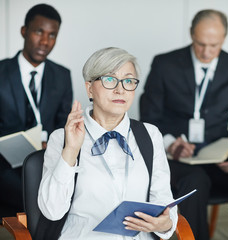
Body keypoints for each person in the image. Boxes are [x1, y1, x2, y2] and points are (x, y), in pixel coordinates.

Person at [140, 9, 228, 240]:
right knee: (195, 181)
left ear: (224, 38)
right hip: (174, 160)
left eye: (213, 45)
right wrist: (170, 144)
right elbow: (148, 117)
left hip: (217, 159)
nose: (206, 52)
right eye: (200, 43)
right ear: (191, 34)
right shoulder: (165, 64)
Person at [38, 47, 177, 239]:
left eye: (128, 81)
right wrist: (71, 150)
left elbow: (163, 200)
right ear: (89, 89)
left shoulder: (150, 135)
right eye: (110, 79)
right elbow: (52, 211)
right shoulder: (61, 138)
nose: (121, 89)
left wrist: (165, 223)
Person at [0, 4, 72, 218]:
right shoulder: (1, 72)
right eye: (38, 32)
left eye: (52, 35)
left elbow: (63, 125)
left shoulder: (61, 75)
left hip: (46, 161)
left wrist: (52, 143)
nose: (45, 41)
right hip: (5, 165)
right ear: (24, 31)